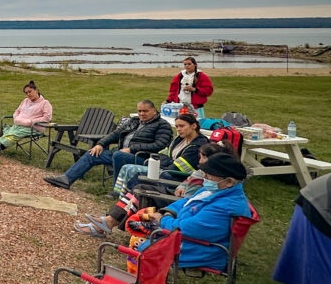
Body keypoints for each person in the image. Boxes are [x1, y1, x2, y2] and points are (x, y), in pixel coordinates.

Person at [76, 141, 226, 237]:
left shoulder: (214, 178)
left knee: (141, 192)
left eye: (202, 158)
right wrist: (182, 186)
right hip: (177, 199)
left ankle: (108, 222)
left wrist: (169, 211)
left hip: (178, 205)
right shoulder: (204, 172)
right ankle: (107, 222)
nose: (199, 161)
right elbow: (185, 179)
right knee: (140, 188)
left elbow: (193, 196)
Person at [132, 152, 251, 270]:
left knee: (143, 246)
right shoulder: (217, 191)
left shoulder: (226, 206)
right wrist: (168, 212)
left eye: (209, 175)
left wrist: (163, 219)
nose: (205, 178)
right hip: (187, 236)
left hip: (201, 250)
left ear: (229, 181)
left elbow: (184, 229)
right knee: (138, 228)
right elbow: (185, 202)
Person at [44, 100, 172, 189]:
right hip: (121, 153)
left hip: (143, 158)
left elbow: (160, 145)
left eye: (145, 111)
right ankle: (66, 179)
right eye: (139, 111)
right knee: (93, 154)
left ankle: (116, 191)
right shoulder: (134, 121)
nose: (141, 114)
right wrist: (100, 144)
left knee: (118, 155)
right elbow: (115, 134)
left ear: (154, 111)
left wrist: (131, 148)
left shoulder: (162, 125)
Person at [111, 112, 209, 194]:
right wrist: (167, 161)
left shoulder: (198, 145)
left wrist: (163, 162)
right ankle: (119, 194)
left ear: (194, 125)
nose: (178, 129)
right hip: (165, 169)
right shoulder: (179, 139)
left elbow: (177, 167)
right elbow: (161, 154)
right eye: (177, 126)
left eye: (182, 126)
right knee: (126, 167)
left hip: (175, 176)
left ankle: (129, 197)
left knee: (135, 171)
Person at [0, 81, 53, 159]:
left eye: (30, 91)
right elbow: (17, 111)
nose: (28, 94)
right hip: (19, 124)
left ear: (36, 90)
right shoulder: (25, 101)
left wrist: (31, 121)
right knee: (10, 131)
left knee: (16, 133)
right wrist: (16, 118)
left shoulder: (45, 103)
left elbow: (47, 117)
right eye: (26, 93)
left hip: (34, 127)